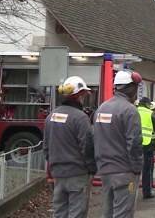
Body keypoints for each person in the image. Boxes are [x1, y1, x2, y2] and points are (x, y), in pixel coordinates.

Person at [94, 70, 143, 218]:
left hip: (105, 170)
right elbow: (134, 143)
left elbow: (95, 137)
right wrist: (136, 168)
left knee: (108, 212)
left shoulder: (102, 108)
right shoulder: (130, 110)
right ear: (131, 88)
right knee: (123, 213)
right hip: (124, 172)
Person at [44, 76, 96, 218]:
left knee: (59, 212)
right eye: (84, 94)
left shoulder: (51, 116)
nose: (85, 97)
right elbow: (87, 146)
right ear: (78, 95)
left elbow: (46, 147)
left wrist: (52, 168)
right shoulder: (80, 118)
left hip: (58, 174)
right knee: (77, 213)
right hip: (77, 174)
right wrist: (92, 168)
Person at [137, 96, 155, 199]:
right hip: (147, 146)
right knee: (147, 170)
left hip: (134, 145)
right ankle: (147, 192)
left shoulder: (133, 111)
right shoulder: (150, 114)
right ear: (148, 104)